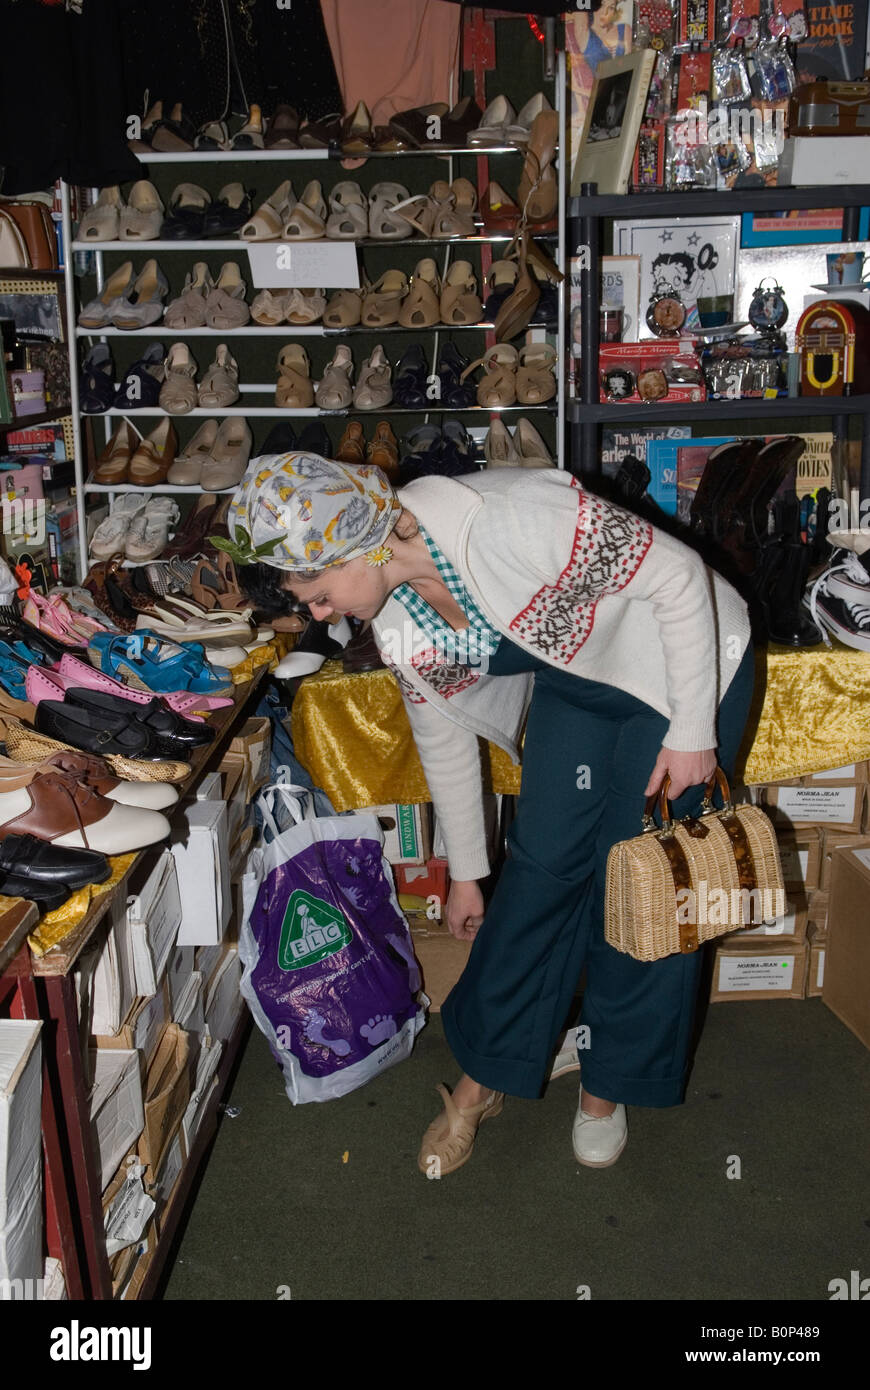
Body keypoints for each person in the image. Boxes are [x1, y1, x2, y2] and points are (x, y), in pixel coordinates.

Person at [227, 452, 754, 1176]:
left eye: (317, 595)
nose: (320, 616)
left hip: (690, 666)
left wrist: (695, 729)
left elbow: (680, 578)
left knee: (641, 881)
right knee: (540, 865)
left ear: (355, 541)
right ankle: (486, 1074)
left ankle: (608, 1085)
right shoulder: (400, 614)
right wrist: (468, 874)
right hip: (587, 679)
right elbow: (442, 734)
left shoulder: (512, 517)